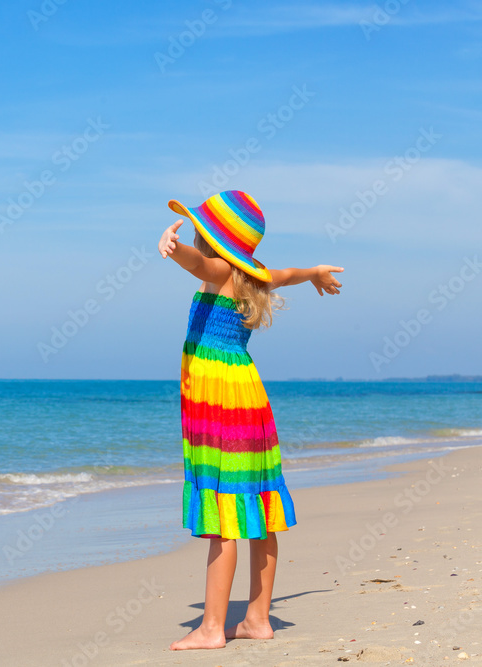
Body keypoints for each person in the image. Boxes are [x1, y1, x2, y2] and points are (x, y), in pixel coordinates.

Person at [157, 190, 343, 651]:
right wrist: (316, 273)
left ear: (212, 238)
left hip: (219, 403)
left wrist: (173, 248)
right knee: (255, 506)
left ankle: (211, 628)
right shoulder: (257, 276)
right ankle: (257, 619)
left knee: (224, 513)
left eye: (200, 230)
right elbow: (292, 273)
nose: (196, 234)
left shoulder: (218, 270)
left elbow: (198, 266)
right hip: (247, 399)